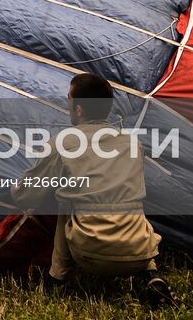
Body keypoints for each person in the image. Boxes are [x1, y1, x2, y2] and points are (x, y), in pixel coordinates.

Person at [15, 72, 175, 308]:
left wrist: (12, 190)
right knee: (127, 199)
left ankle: (55, 278)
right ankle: (151, 275)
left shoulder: (63, 143)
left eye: (69, 98)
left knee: (67, 203)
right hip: (140, 252)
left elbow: (28, 194)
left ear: (79, 109)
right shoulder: (132, 144)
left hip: (91, 254)